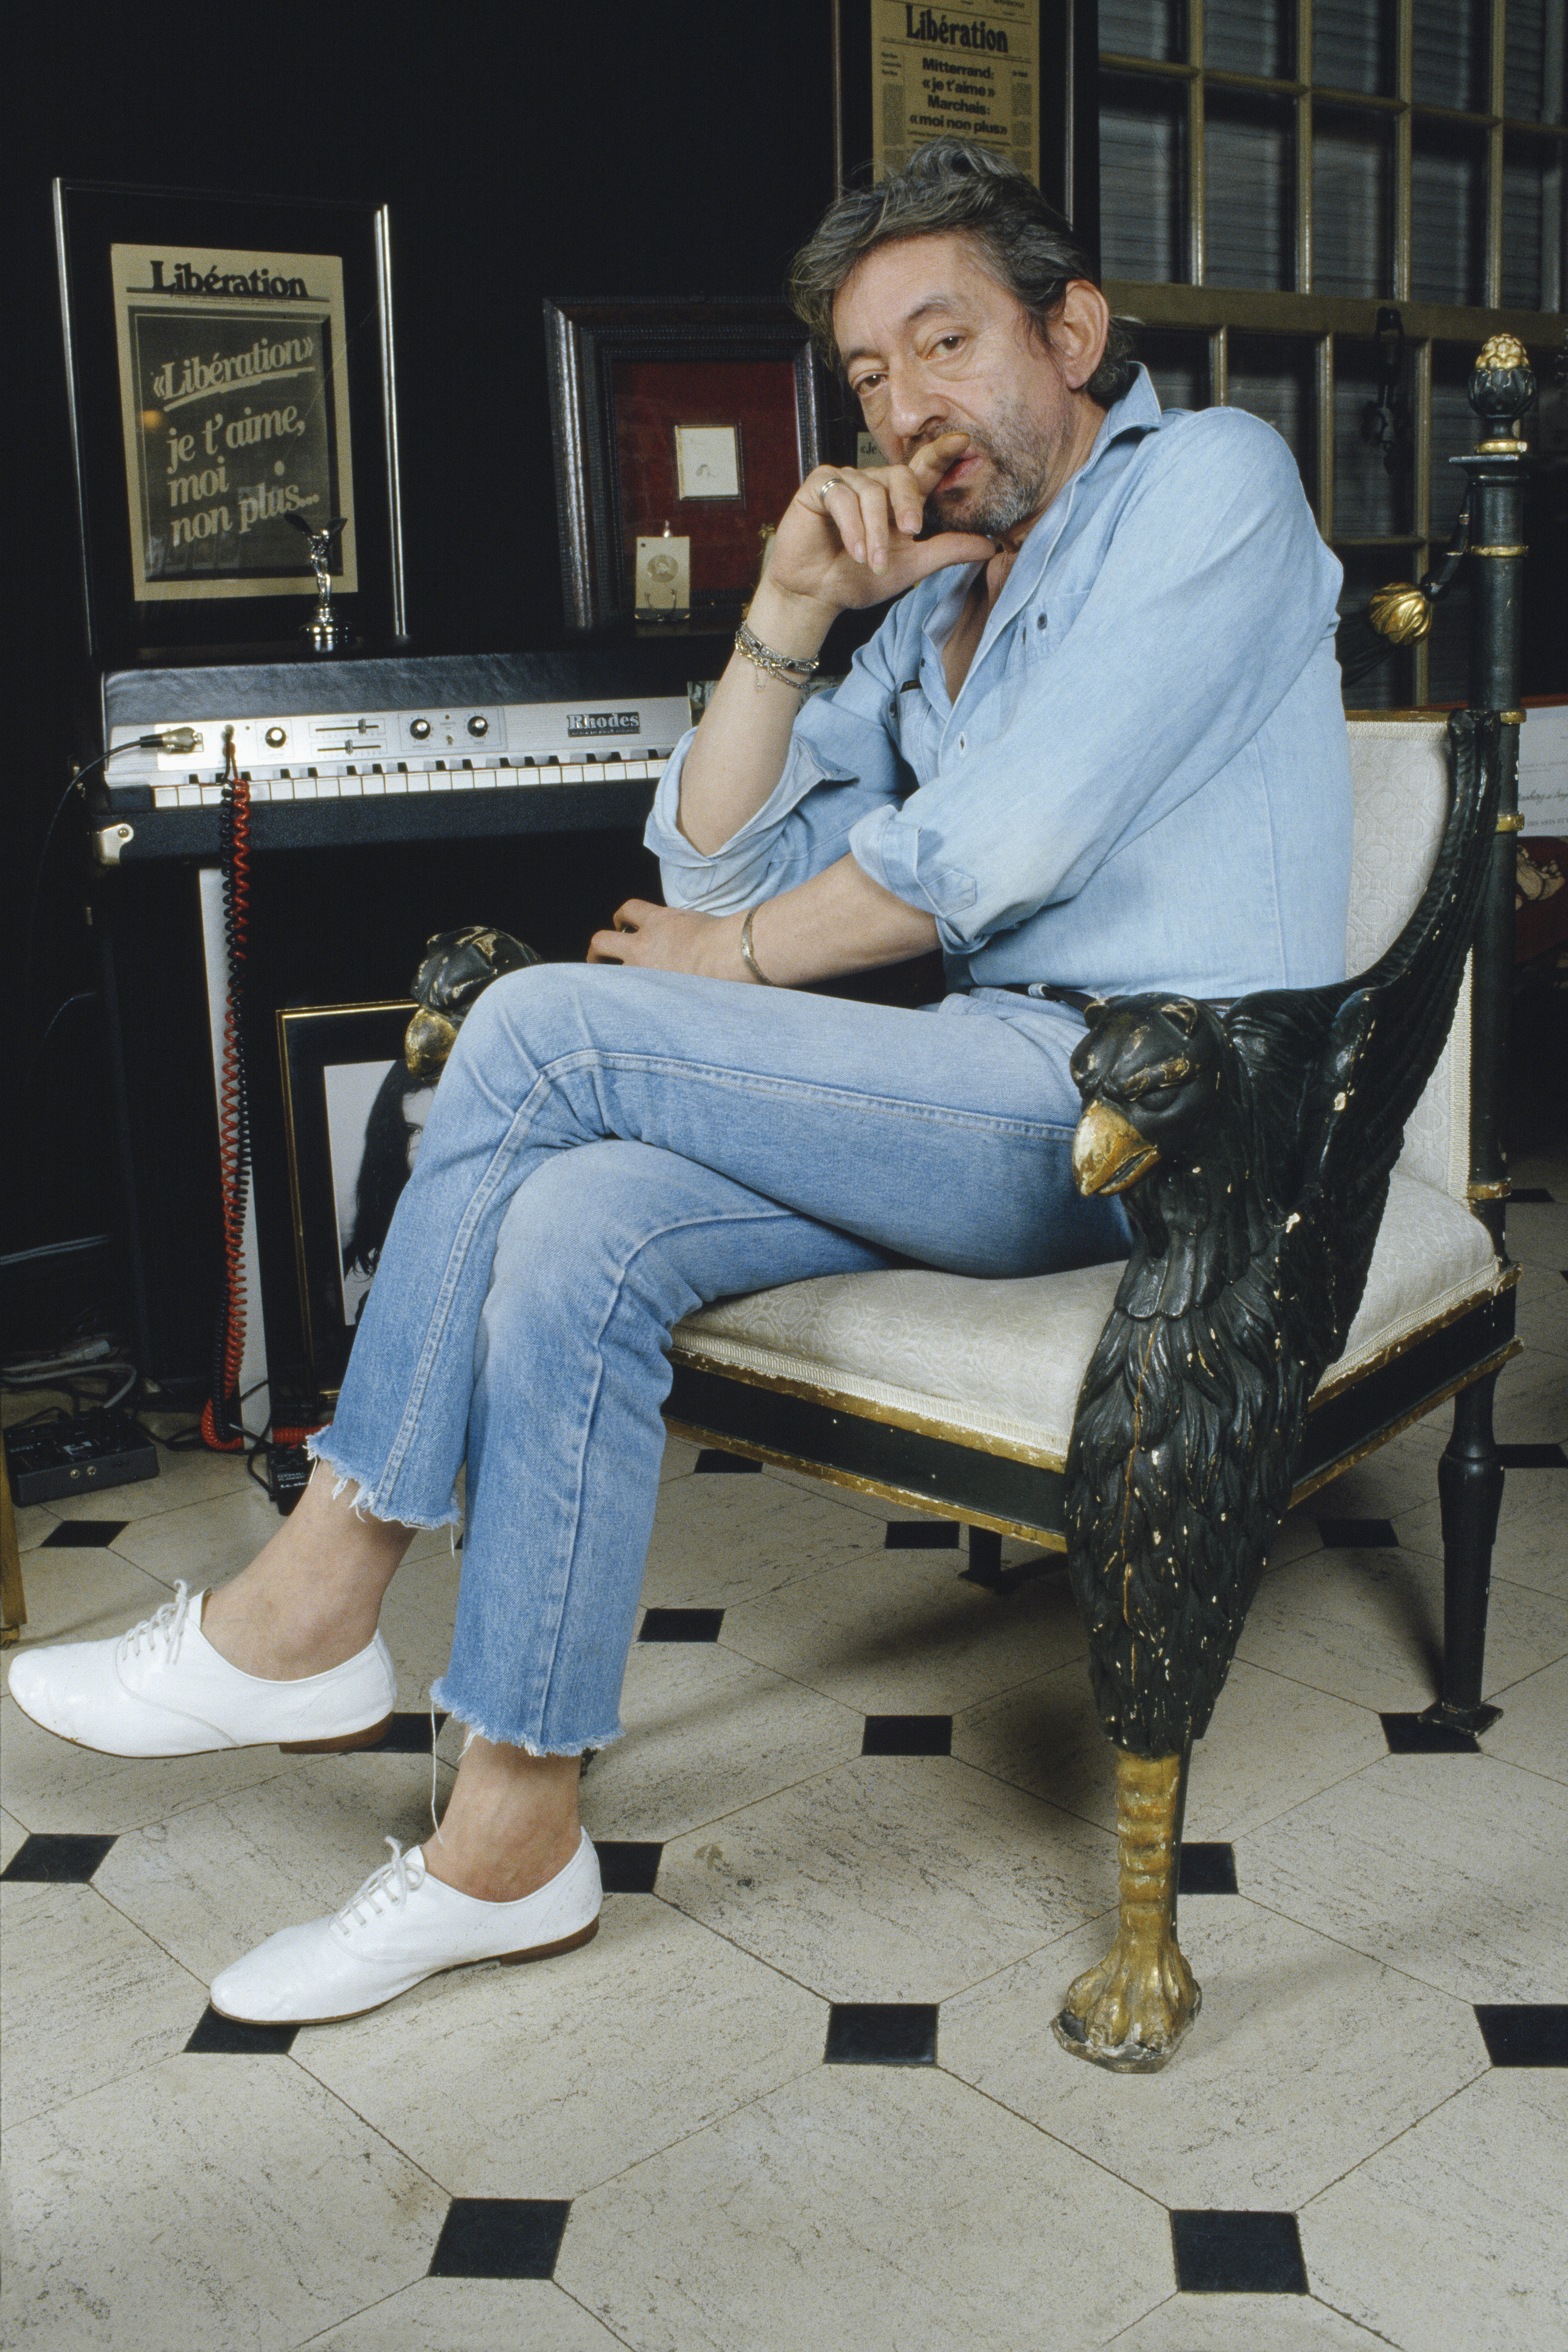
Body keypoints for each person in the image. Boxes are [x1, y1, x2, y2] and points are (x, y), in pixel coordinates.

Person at [8, 140, 1352, 2025]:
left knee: (542, 1025)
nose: (905, 404)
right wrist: (790, 614)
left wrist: (728, 962)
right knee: (577, 1223)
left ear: (1072, 333)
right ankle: (511, 1836)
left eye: (944, 340)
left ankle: (314, 1596)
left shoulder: (1211, 482)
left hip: (1166, 1116)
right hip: (977, 1083)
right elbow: (713, 856)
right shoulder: (939, 606)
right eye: (868, 375)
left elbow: (982, 854)